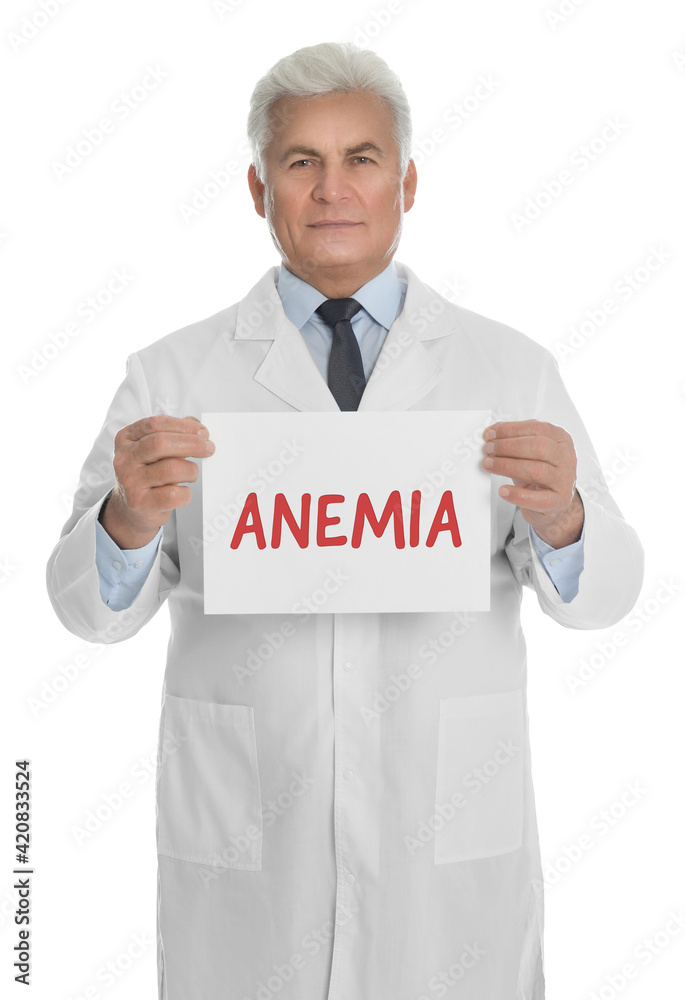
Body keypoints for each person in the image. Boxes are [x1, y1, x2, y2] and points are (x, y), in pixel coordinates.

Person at [46, 41, 644, 1000]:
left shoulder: (507, 369)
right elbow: (85, 611)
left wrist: (564, 517)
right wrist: (127, 520)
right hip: (249, 845)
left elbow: (607, 598)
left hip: (445, 847)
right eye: (301, 161)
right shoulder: (170, 375)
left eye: (361, 158)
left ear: (406, 182)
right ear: (258, 189)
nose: (332, 189)